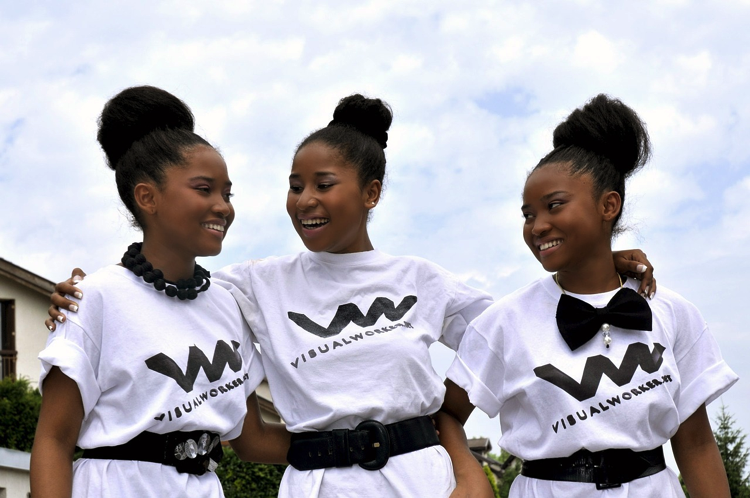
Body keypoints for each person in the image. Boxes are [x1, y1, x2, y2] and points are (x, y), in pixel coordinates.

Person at [46, 94, 656, 497]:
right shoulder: (252, 286)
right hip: (317, 483)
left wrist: (601, 263)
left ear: (371, 193)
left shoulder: (420, 278)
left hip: (420, 476)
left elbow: (520, 328)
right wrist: (78, 294)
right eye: (294, 185)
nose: (304, 199)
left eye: (324, 184)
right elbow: (161, 293)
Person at [441, 94, 738, 497]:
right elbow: (447, 414)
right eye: (528, 214)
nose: (537, 226)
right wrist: (469, 475)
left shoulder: (672, 312)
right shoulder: (504, 322)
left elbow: (697, 444)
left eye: (554, 206)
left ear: (608, 205)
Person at [30, 86, 288, 498]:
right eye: (204, 189)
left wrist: (372, 439)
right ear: (147, 197)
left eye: (227, 193)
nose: (223, 206)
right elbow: (53, 442)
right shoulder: (94, 298)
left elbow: (252, 438)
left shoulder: (227, 305)